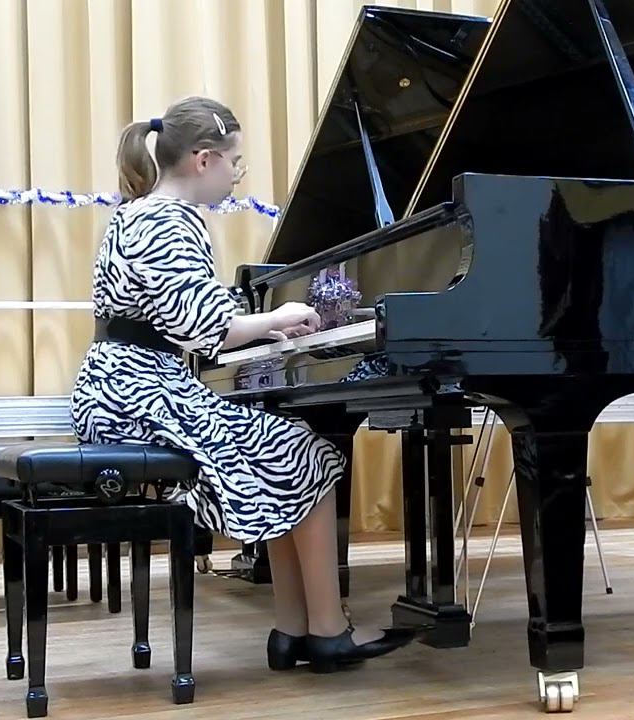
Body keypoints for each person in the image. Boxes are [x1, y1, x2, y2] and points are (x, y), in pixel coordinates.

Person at [70, 95, 416, 673]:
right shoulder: (170, 219)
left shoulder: (137, 212)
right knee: (305, 452)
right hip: (136, 392)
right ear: (203, 160)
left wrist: (263, 328)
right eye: (235, 162)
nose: (236, 175)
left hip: (121, 383)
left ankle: (292, 630)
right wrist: (279, 317)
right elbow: (200, 325)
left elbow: (180, 318)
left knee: (282, 449)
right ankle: (327, 633)